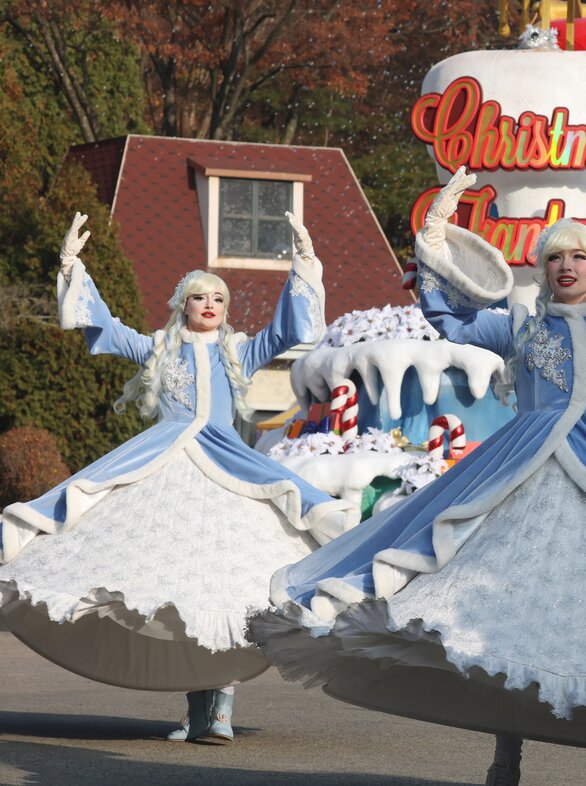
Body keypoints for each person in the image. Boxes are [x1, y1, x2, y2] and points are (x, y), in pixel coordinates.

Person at [249, 167, 586, 786]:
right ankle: (506, 755)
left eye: (579, 256)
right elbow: (452, 320)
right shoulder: (519, 326)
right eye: (555, 257)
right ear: (542, 270)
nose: (567, 266)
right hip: (519, 477)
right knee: (509, 614)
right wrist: (436, 232)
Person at [0, 211, 357, 743]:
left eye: (218, 299)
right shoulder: (158, 347)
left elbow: (288, 329)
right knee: (172, 580)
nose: (210, 305)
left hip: (230, 470)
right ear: (182, 305)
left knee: (228, 579)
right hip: (160, 465)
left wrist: (303, 263)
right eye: (199, 297)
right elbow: (108, 329)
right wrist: (73, 267)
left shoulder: (238, 351)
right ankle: (197, 711)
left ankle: (221, 709)